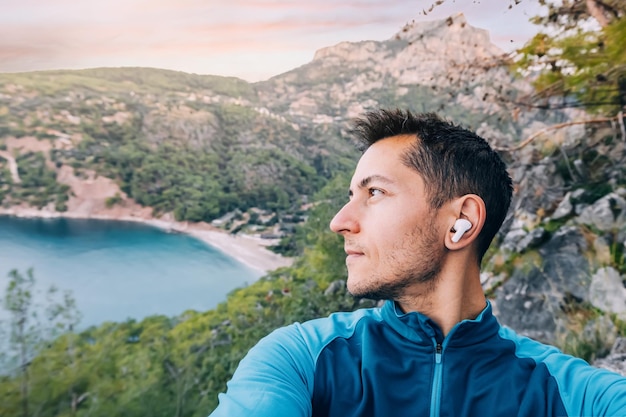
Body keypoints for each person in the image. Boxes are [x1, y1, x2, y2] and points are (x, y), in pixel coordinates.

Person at [210, 109, 626, 417]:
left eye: (374, 193)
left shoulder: (577, 396)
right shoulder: (301, 360)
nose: (340, 222)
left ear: (461, 223)